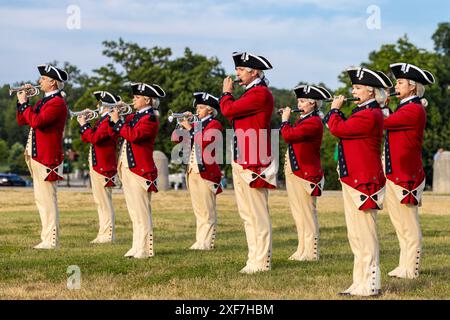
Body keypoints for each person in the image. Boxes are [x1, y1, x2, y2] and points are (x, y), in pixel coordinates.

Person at [323, 67, 392, 296]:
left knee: (365, 235)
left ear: (371, 92)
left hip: (364, 181)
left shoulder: (369, 114)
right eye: (354, 87)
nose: (354, 91)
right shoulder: (362, 112)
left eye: (358, 87)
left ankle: (371, 282)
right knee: (355, 235)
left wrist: (334, 110)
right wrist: (336, 113)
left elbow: (337, 129)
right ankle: (359, 281)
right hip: (354, 179)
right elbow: (341, 128)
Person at [220, 51, 276, 274]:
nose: (237, 74)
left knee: (257, 214)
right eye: (237, 70)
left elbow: (227, 110)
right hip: (243, 156)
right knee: (247, 214)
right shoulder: (249, 94)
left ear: (255, 72)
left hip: (254, 159)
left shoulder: (260, 93)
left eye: (241, 70)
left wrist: (226, 93)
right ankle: (254, 258)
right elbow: (234, 115)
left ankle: (262, 260)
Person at [384, 62, 435, 279]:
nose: (396, 86)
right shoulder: (406, 107)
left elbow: (384, 122)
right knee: (400, 224)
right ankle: (403, 264)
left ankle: (412, 267)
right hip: (396, 172)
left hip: (406, 174)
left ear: (412, 87)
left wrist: (378, 106)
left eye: (400, 82)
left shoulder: (413, 109)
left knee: (409, 225)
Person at [109, 82, 165, 259]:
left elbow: (133, 136)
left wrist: (118, 120)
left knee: (141, 212)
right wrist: (114, 117)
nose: (133, 100)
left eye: (137, 97)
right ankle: (136, 246)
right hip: (128, 168)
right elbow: (116, 130)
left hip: (140, 170)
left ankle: (146, 249)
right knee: (134, 212)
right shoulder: (135, 116)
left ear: (147, 100)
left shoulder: (149, 118)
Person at [16, 64, 69, 249]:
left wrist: (24, 104)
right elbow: (23, 120)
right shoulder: (43, 102)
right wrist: (22, 102)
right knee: (41, 199)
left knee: (47, 200)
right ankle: (46, 238)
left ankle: (51, 240)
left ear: (53, 82)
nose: (39, 81)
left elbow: (37, 122)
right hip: (37, 156)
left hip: (47, 158)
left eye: (43, 79)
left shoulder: (57, 103)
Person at [280, 85, 330, 261]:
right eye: (298, 101)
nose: (298, 104)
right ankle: (302, 249)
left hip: (306, 174)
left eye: (302, 101)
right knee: (298, 214)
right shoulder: (303, 119)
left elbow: (288, 136)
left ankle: (311, 252)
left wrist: (285, 120)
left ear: (313, 104)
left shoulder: (313, 122)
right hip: (296, 172)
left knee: (307, 215)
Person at [172, 92, 223, 250]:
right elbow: (175, 138)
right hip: (192, 171)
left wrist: (189, 128)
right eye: (197, 108)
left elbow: (205, 141)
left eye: (200, 108)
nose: (197, 110)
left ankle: (207, 242)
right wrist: (181, 124)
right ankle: (200, 240)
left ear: (209, 110)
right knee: (198, 209)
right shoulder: (195, 125)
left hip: (206, 171)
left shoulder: (215, 124)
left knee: (207, 209)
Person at [78, 91, 120, 244]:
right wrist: (85, 125)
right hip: (98, 165)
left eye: (100, 104)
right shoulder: (102, 120)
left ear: (105, 106)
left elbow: (95, 138)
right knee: (100, 202)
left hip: (104, 166)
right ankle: (103, 233)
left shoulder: (108, 121)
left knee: (104, 202)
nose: (97, 106)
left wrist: (83, 125)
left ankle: (108, 235)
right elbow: (87, 137)